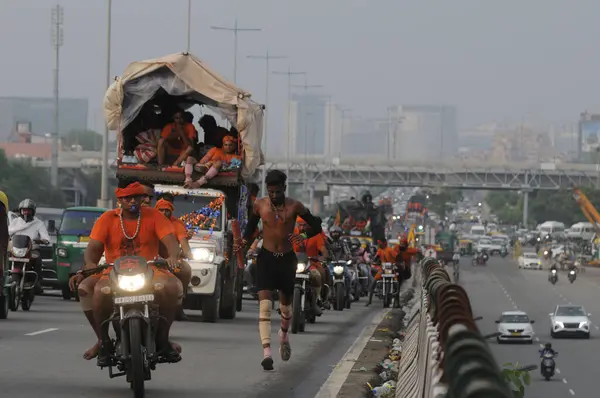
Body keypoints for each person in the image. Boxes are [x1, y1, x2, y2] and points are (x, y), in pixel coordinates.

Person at [70, 181, 183, 365]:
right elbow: (92, 249)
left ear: (142, 199)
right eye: (127, 198)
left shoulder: (154, 215)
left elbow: (171, 243)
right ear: (119, 201)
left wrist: (172, 256)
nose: (132, 201)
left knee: (171, 286)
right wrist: (90, 263)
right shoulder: (106, 219)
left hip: (150, 270)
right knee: (91, 289)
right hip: (111, 271)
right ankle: (103, 342)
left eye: (136, 197)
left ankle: (163, 338)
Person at [239, 169, 323, 370]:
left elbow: (317, 225)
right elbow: (250, 229)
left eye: (278, 192)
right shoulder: (260, 205)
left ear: (284, 189)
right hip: (266, 259)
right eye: (271, 192)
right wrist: (242, 242)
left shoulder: (295, 206)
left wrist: (302, 237)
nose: (274, 196)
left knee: (286, 308)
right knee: (265, 306)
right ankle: (267, 353)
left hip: (287, 260)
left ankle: (283, 336)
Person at [155, 199, 193, 321]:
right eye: (161, 210)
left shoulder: (177, 224)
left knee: (185, 270)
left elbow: (183, 241)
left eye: (167, 210)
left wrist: (187, 252)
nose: (164, 213)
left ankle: (179, 303)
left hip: (171, 260)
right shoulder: (150, 221)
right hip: (150, 259)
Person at [8, 199, 50, 294]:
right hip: (16, 250)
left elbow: (45, 236)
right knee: (6, 257)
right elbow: (8, 232)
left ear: (33, 211)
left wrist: (43, 240)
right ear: (21, 211)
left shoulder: (39, 223)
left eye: (28, 210)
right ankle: (6, 276)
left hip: (32, 249)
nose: (26, 212)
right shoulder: (15, 222)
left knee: (37, 258)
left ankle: (38, 281)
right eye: (24, 210)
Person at [293, 216, 328, 315]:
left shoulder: (315, 235)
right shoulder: (292, 234)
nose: (302, 227)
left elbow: (323, 249)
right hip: (293, 263)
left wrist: (324, 257)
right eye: (300, 225)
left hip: (311, 264)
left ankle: (316, 300)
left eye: (304, 225)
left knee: (317, 275)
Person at [365, 239, 398, 306]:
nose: (379, 245)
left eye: (380, 243)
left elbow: (396, 256)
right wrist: (374, 260)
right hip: (382, 270)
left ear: (384, 243)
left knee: (397, 283)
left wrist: (398, 263)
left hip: (391, 270)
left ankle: (396, 301)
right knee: (373, 283)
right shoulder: (380, 250)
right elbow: (376, 257)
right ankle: (369, 301)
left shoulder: (390, 250)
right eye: (378, 244)